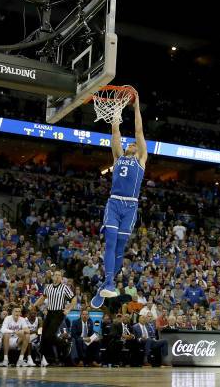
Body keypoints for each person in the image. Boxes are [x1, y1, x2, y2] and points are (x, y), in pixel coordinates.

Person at [91, 89, 147, 308]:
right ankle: (108, 283)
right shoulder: (118, 156)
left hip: (130, 206)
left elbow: (139, 131)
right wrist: (116, 110)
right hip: (114, 203)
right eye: (130, 143)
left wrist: (136, 106)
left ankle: (106, 286)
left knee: (120, 247)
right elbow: (115, 132)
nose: (132, 144)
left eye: (134, 144)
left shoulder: (141, 159)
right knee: (111, 243)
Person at [35, 270, 76, 366]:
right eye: (55, 275)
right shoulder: (48, 287)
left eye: (59, 275)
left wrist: (68, 309)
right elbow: (43, 298)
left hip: (58, 313)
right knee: (44, 336)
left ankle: (65, 345)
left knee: (49, 335)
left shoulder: (64, 288)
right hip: (49, 313)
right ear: (52, 277)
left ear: (61, 278)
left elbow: (74, 299)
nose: (57, 276)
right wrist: (34, 305)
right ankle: (45, 357)